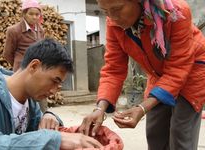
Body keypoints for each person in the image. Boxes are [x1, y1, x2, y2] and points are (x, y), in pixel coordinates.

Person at [79, 0, 205, 150]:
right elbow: (113, 68)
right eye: (105, 11)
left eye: (117, 8)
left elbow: (178, 67)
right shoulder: (113, 24)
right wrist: (99, 109)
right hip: (158, 75)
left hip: (193, 71)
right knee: (154, 132)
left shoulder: (175, 12)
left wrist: (142, 108)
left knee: (181, 133)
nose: (112, 17)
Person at [0, 38, 102, 149]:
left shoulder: (30, 100)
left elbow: (37, 130)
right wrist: (54, 140)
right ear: (34, 66)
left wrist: (49, 116)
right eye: (54, 81)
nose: (54, 91)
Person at [3, 0, 48, 112]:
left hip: (37, 70)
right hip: (21, 70)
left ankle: (41, 119)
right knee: (21, 100)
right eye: (31, 14)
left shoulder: (40, 30)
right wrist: (19, 65)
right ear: (24, 14)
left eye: (37, 14)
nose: (34, 17)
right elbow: (8, 54)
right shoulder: (14, 30)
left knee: (40, 97)